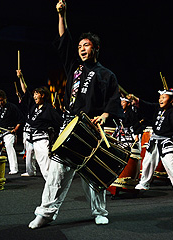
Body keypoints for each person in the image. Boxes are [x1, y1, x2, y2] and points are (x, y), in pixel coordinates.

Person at [28, 0, 123, 229]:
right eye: (80, 45)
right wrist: (62, 15)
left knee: (94, 173)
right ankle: (46, 213)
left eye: (87, 45)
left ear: (96, 49)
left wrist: (105, 116)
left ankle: (99, 211)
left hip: (91, 128)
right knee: (57, 171)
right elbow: (64, 42)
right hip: (70, 125)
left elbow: (113, 100)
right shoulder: (74, 67)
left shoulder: (106, 74)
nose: (81, 48)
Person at [131, 89, 173, 201]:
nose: (161, 99)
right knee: (147, 162)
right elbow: (147, 105)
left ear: (171, 100)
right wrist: (136, 99)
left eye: (164, 97)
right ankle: (144, 183)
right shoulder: (157, 108)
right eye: (160, 97)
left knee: (171, 166)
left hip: (166, 142)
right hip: (154, 140)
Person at [17, 70, 63, 179]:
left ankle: (52, 181)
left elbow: (60, 122)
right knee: (29, 156)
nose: (34, 96)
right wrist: (20, 78)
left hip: (41, 139)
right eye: (34, 94)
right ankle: (30, 171)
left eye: (36, 94)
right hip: (30, 136)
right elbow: (26, 91)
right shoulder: (34, 106)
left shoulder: (49, 109)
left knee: (45, 166)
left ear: (42, 95)